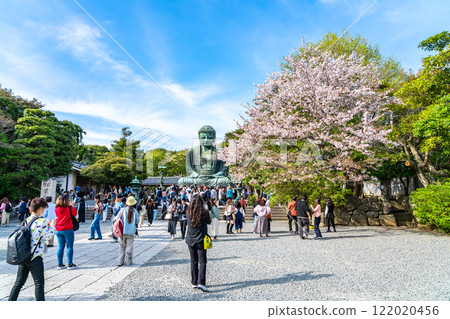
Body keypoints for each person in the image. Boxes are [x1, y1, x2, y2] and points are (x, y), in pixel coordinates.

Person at [9, 197, 56, 301]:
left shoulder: (26, 220)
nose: (44, 211)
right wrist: (52, 227)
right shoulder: (42, 221)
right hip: (35, 257)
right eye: (43, 209)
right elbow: (47, 237)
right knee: (39, 283)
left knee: (18, 283)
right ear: (40, 208)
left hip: (24, 256)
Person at [185, 194, 211, 292]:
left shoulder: (188, 211)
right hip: (200, 239)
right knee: (202, 261)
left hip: (190, 239)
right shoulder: (204, 212)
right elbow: (209, 221)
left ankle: (194, 281)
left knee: (193, 261)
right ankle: (201, 282)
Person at [55, 194, 78, 269]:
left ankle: (60, 264)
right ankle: (70, 264)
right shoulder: (70, 208)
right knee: (69, 246)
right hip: (68, 229)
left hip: (58, 229)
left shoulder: (56, 208)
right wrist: (72, 206)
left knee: (61, 247)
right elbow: (75, 214)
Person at [115, 196, 139, 266]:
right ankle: (129, 262)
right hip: (131, 232)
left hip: (122, 231)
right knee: (129, 248)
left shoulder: (122, 210)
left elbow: (116, 218)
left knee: (122, 247)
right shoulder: (135, 211)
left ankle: (120, 261)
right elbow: (137, 221)